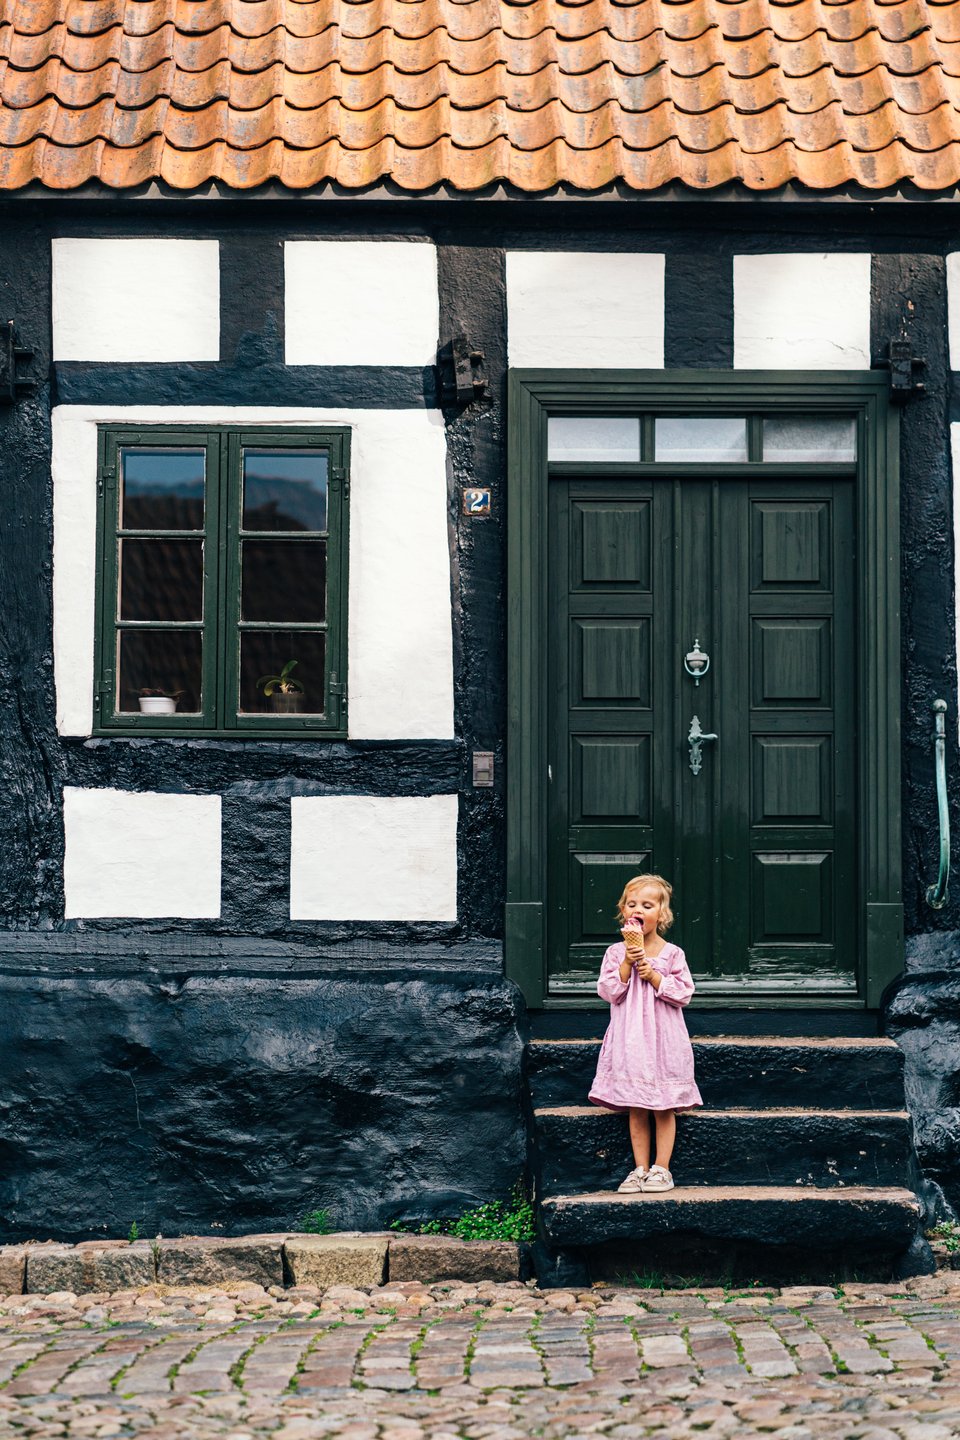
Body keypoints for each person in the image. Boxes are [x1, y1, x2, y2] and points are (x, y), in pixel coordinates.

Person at [588, 874, 702, 1194]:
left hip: (664, 1040)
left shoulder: (672, 954)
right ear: (623, 911)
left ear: (661, 915)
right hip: (632, 1040)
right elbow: (610, 991)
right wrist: (628, 961)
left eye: (647, 905)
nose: (638, 909)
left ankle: (661, 1168)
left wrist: (653, 975)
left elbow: (683, 993)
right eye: (631, 903)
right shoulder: (615, 953)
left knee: (663, 1105)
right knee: (637, 1106)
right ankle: (639, 1168)